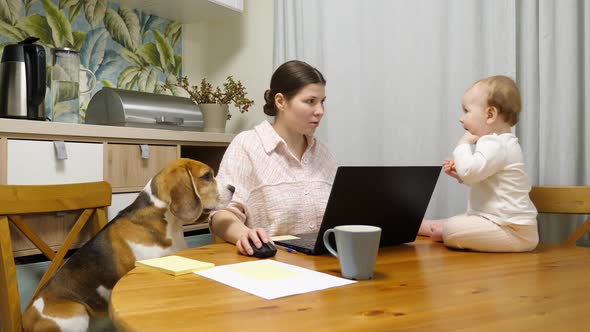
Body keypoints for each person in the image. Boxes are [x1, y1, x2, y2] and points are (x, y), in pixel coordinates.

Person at [209, 60, 337, 255]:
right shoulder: (247, 145)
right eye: (310, 101)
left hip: (326, 264)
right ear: (280, 101)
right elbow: (221, 215)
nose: (320, 111)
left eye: (322, 102)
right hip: (271, 267)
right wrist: (244, 234)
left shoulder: (324, 154)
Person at [418, 75, 539, 252]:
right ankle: (433, 226)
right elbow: (478, 176)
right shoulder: (499, 142)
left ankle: (441, 230)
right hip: (500, 224)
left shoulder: (497, 144)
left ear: (490, 115)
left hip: (513, 232)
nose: (461, 118)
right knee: (462, 220)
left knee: (453, 228)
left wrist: (463, 144)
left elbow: (471, 172)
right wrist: (461, 175)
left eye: (466, 111)